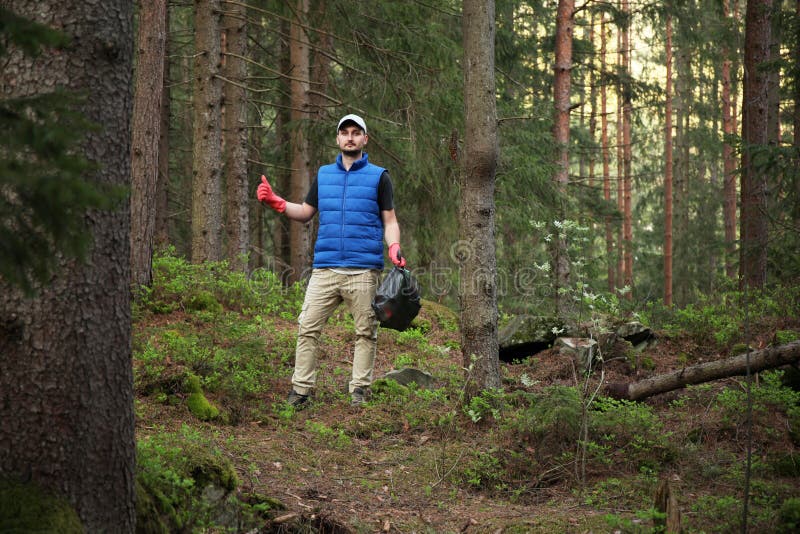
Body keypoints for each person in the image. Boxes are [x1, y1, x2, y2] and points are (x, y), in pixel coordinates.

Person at [256, 113, 406, 408]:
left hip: (363, 269)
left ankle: (359, 393)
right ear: (338, 139)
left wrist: (394, 246)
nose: (350, 137)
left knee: (365, 332)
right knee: (307, 328)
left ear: (365, 139)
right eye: (345, 132)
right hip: (324, 269)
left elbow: (390, 220)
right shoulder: (324, 175)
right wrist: (277, 202)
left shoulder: (379, 176)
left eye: (356, 132)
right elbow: (305, 212)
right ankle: (300, 392)